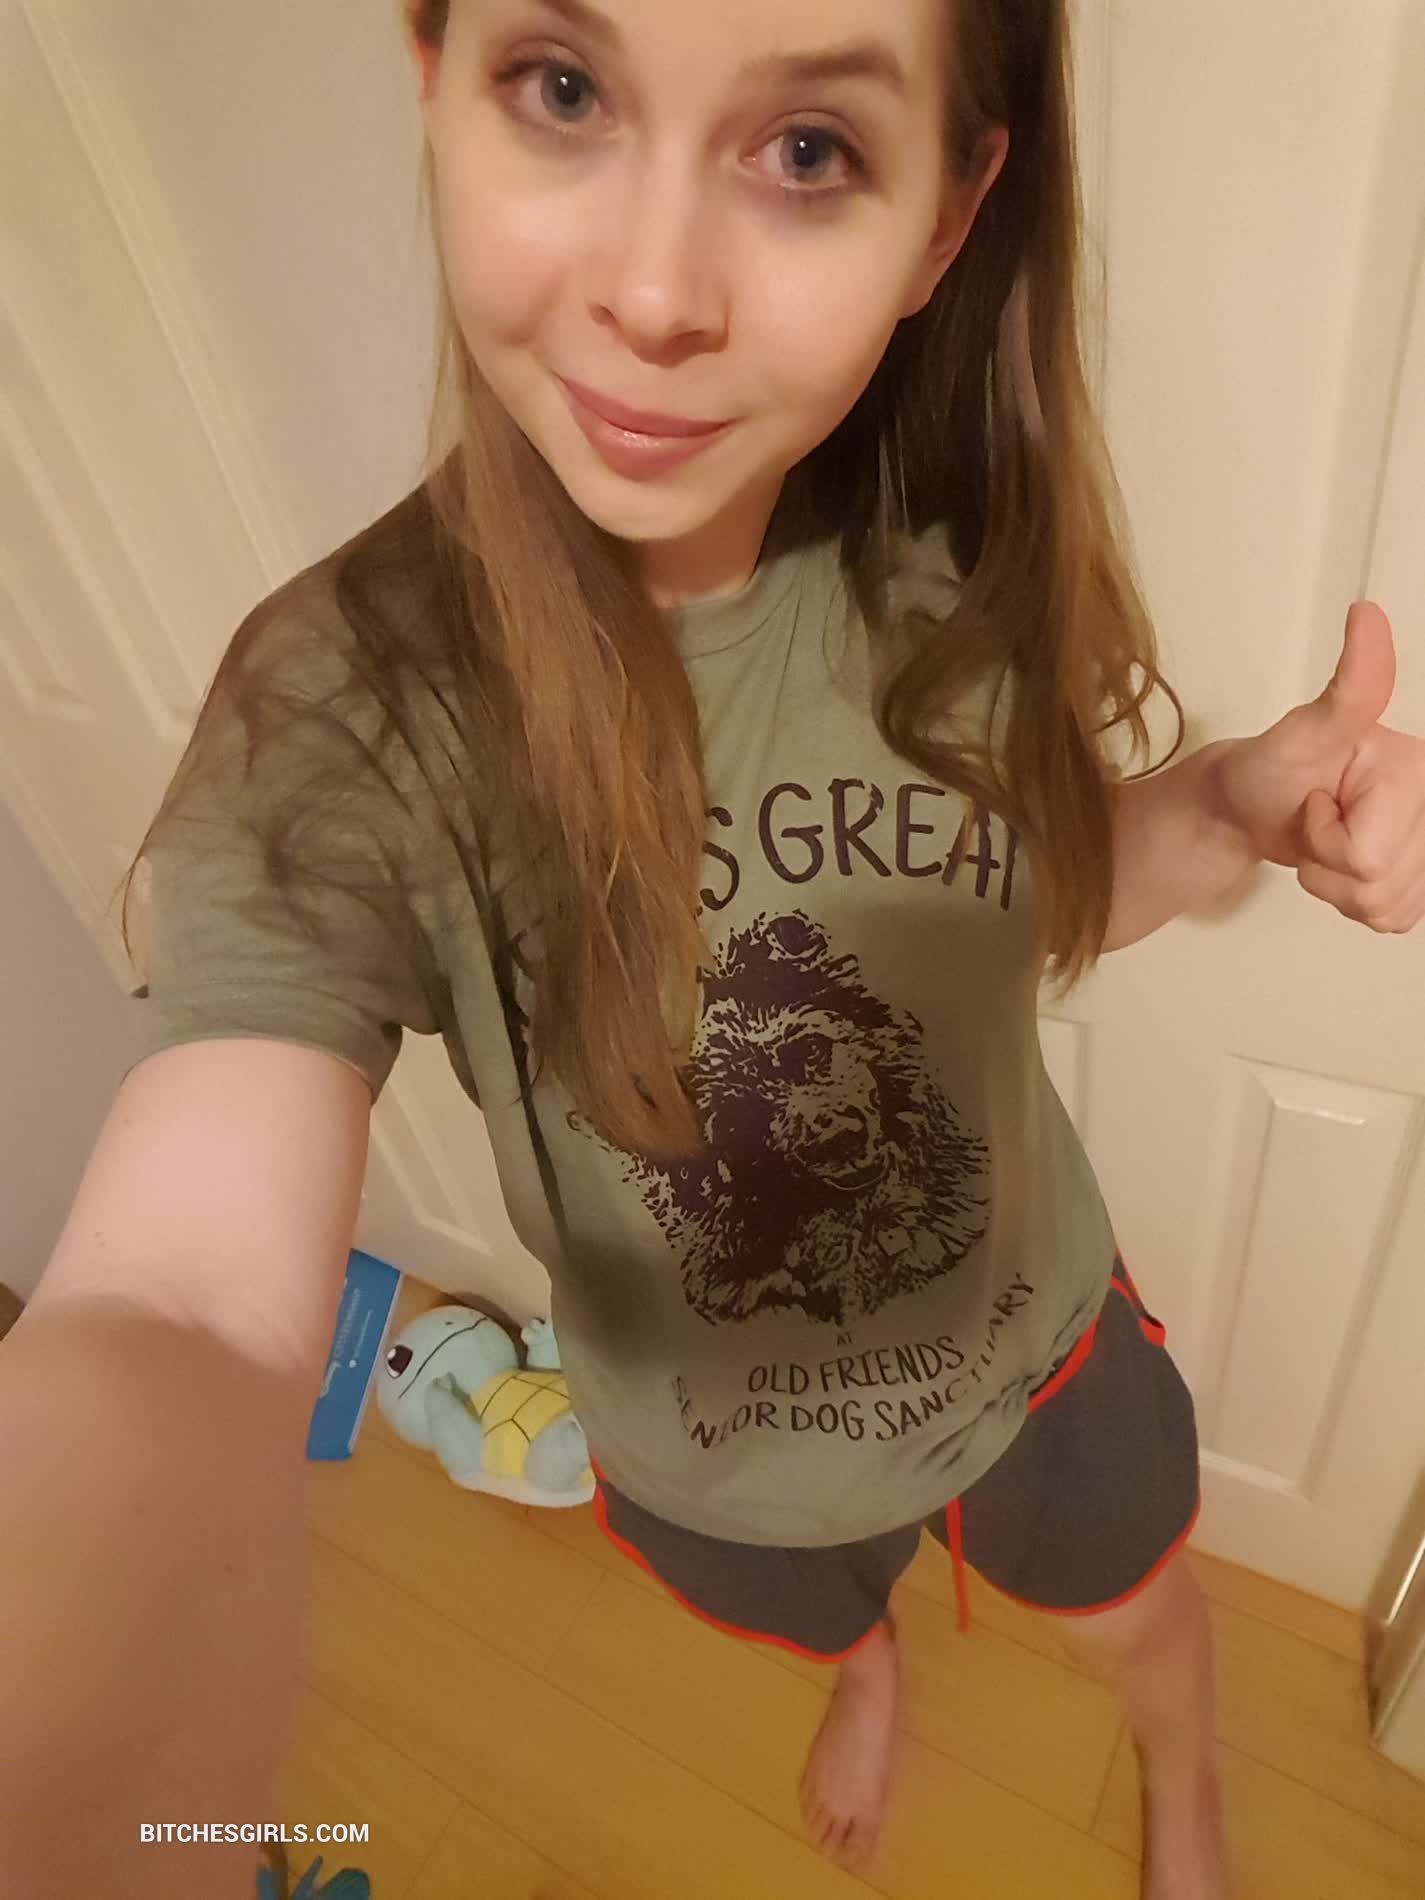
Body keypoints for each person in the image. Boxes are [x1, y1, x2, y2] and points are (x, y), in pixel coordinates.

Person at [3, 2, 1422, 1897]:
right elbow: (184, 1295)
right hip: (708, 1459)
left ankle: (1181, 1788)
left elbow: (1045, 907)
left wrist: (1237, 804)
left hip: (1037, 1361)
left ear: (943, 216)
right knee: (826, 1619)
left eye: (808, 149)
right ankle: (869, 1667)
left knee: (1144, 1626)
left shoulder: (954, 580)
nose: (653, 295)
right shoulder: (350, 717)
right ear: (436, 74)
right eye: (564, 88)